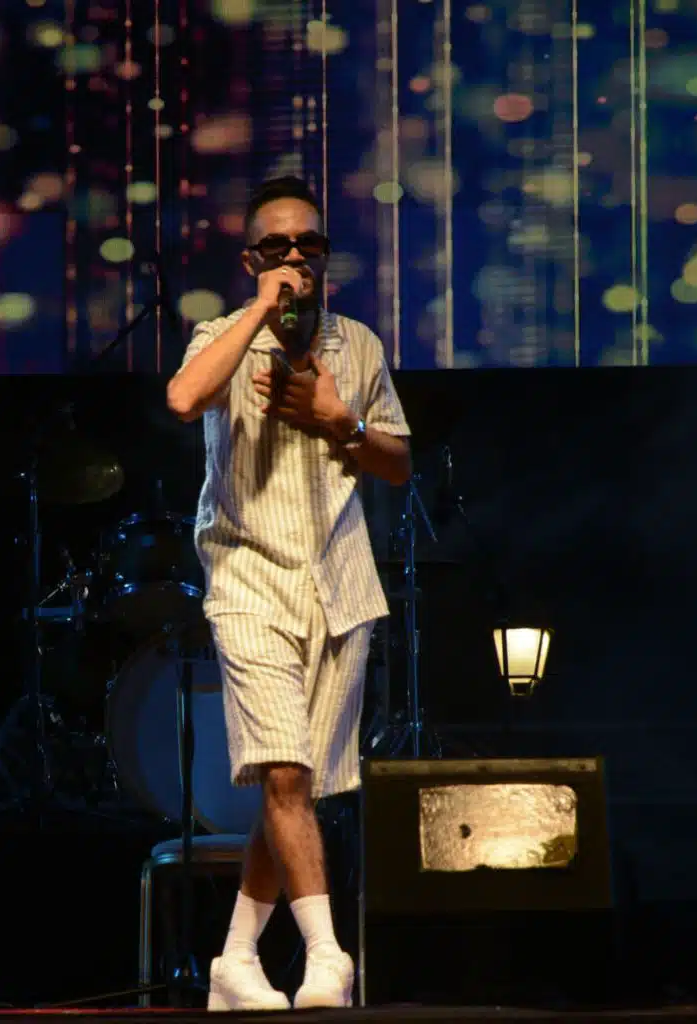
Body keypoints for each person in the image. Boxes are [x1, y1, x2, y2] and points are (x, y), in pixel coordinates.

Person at [166, 176, 412, 1011]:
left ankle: (234, 960)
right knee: (283, 772)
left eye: (310, 244)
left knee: (295, 791)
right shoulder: (220, 336)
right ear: (251, 261)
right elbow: (183, 398)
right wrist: (262, 313)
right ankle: (327, 956)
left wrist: (340, 420)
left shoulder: (359, 345)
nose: (297, 257)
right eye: (278, 246)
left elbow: (396, 464)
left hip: (340, 585)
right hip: (247, 578)